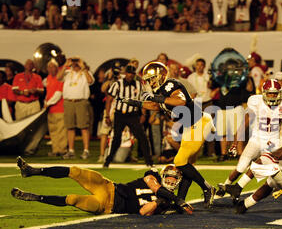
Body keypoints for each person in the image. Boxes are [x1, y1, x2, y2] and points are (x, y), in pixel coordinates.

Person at [122, 61, 216, 208]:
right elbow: (155, 106)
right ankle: (181, 200)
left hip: (199, 123)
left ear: (160, 76)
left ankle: (207, 188)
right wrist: (134, 103)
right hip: (191, 126)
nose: (150, 82)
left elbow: (180, 101)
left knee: (179, 161)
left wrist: (153, 97)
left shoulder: (169, 84)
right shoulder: (161, 90)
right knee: (186, 165)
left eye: (152, 79)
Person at [12, 157, 193, 216]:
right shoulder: (152, 176)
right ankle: (32, 171)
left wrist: (163, 202)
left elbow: (144, 211)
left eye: (172, 180)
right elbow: (154, 187)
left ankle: (34, 197)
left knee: (72, 199)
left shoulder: (165, 204)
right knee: (75, 171)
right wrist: (176, 199)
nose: (169, 181)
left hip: (107, 206)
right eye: (168, 178)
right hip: (108, 187)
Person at [218, 79, 282, 202]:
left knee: (270, 170)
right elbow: (244, 124)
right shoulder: (256, 102)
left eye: (275, 93)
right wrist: (235, 143)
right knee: (241, 167)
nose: (273, 96)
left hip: (273, 143)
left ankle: (242, 190)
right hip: (256, 139)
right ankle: (226, 185)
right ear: (264, 93)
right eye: (270, 93)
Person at [103, 64, 153, 168]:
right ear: (125, 73)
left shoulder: (139, 85)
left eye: (132, 73)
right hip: (120, 114)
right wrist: (107, 116)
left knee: (142, 137)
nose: (130, 75)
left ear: (134, 74)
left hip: (133, 115)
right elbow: (109, 99)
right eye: (128, 73)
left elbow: (142, 100)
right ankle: (108, 161)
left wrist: (143, 114)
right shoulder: (118, 84)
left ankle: (149, 162)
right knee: (116, 139)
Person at [57, 56, 94, 160]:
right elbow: (58, 78)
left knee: (83, 127)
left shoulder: (85, 73)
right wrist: (65, 65)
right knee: (70, 127)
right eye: (74, 61)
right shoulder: (67, 73)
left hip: (81, 101)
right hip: (69, 101)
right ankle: (71, 151)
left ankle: (86, 150)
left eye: (77, 61)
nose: (75, 63)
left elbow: (90, 81)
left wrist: (83, 67)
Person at [44, 59, 67, 157]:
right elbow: (48, 93)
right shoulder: (48, 78)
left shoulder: (60, 78)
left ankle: (62, 150)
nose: (50, 69)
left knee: (61, 130)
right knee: (53, 131)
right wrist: (46, 102)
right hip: (50, 110)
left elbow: (58, 94)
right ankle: (55, 149)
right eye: (49, 67)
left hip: (59, 109)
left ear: (57, 68)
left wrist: (47, 103)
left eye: (52, 66)